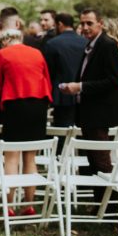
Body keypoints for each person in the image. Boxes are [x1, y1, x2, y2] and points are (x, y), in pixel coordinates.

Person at [60, 8, 118, 206]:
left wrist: (80, 87)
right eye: (83, 23)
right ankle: (99, 204)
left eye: (89, 23)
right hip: (88, 112)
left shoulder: (107, 44)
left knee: (102, 160)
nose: (85, 27)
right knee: (93, 160)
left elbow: (113, 80)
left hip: (101, 113)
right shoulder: (91, 45)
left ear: (100, 23)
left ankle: (111, 206)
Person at [0, 29, 52, 216]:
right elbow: (47, 81)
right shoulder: (37, 52)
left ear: (4, 41)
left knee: (11, 156)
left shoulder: (2, 54)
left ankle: (9, 206)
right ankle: (29, 205)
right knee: (30, 156)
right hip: (38, 106)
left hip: (15, 104)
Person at [43, 13, 86, 141]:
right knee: (82, 131)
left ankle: (60, 157)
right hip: (83, 91)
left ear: (60, 24)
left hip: (61, 94)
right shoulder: (85, 42)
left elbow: (48, 71)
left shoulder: (52, 43)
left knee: (62, 133)